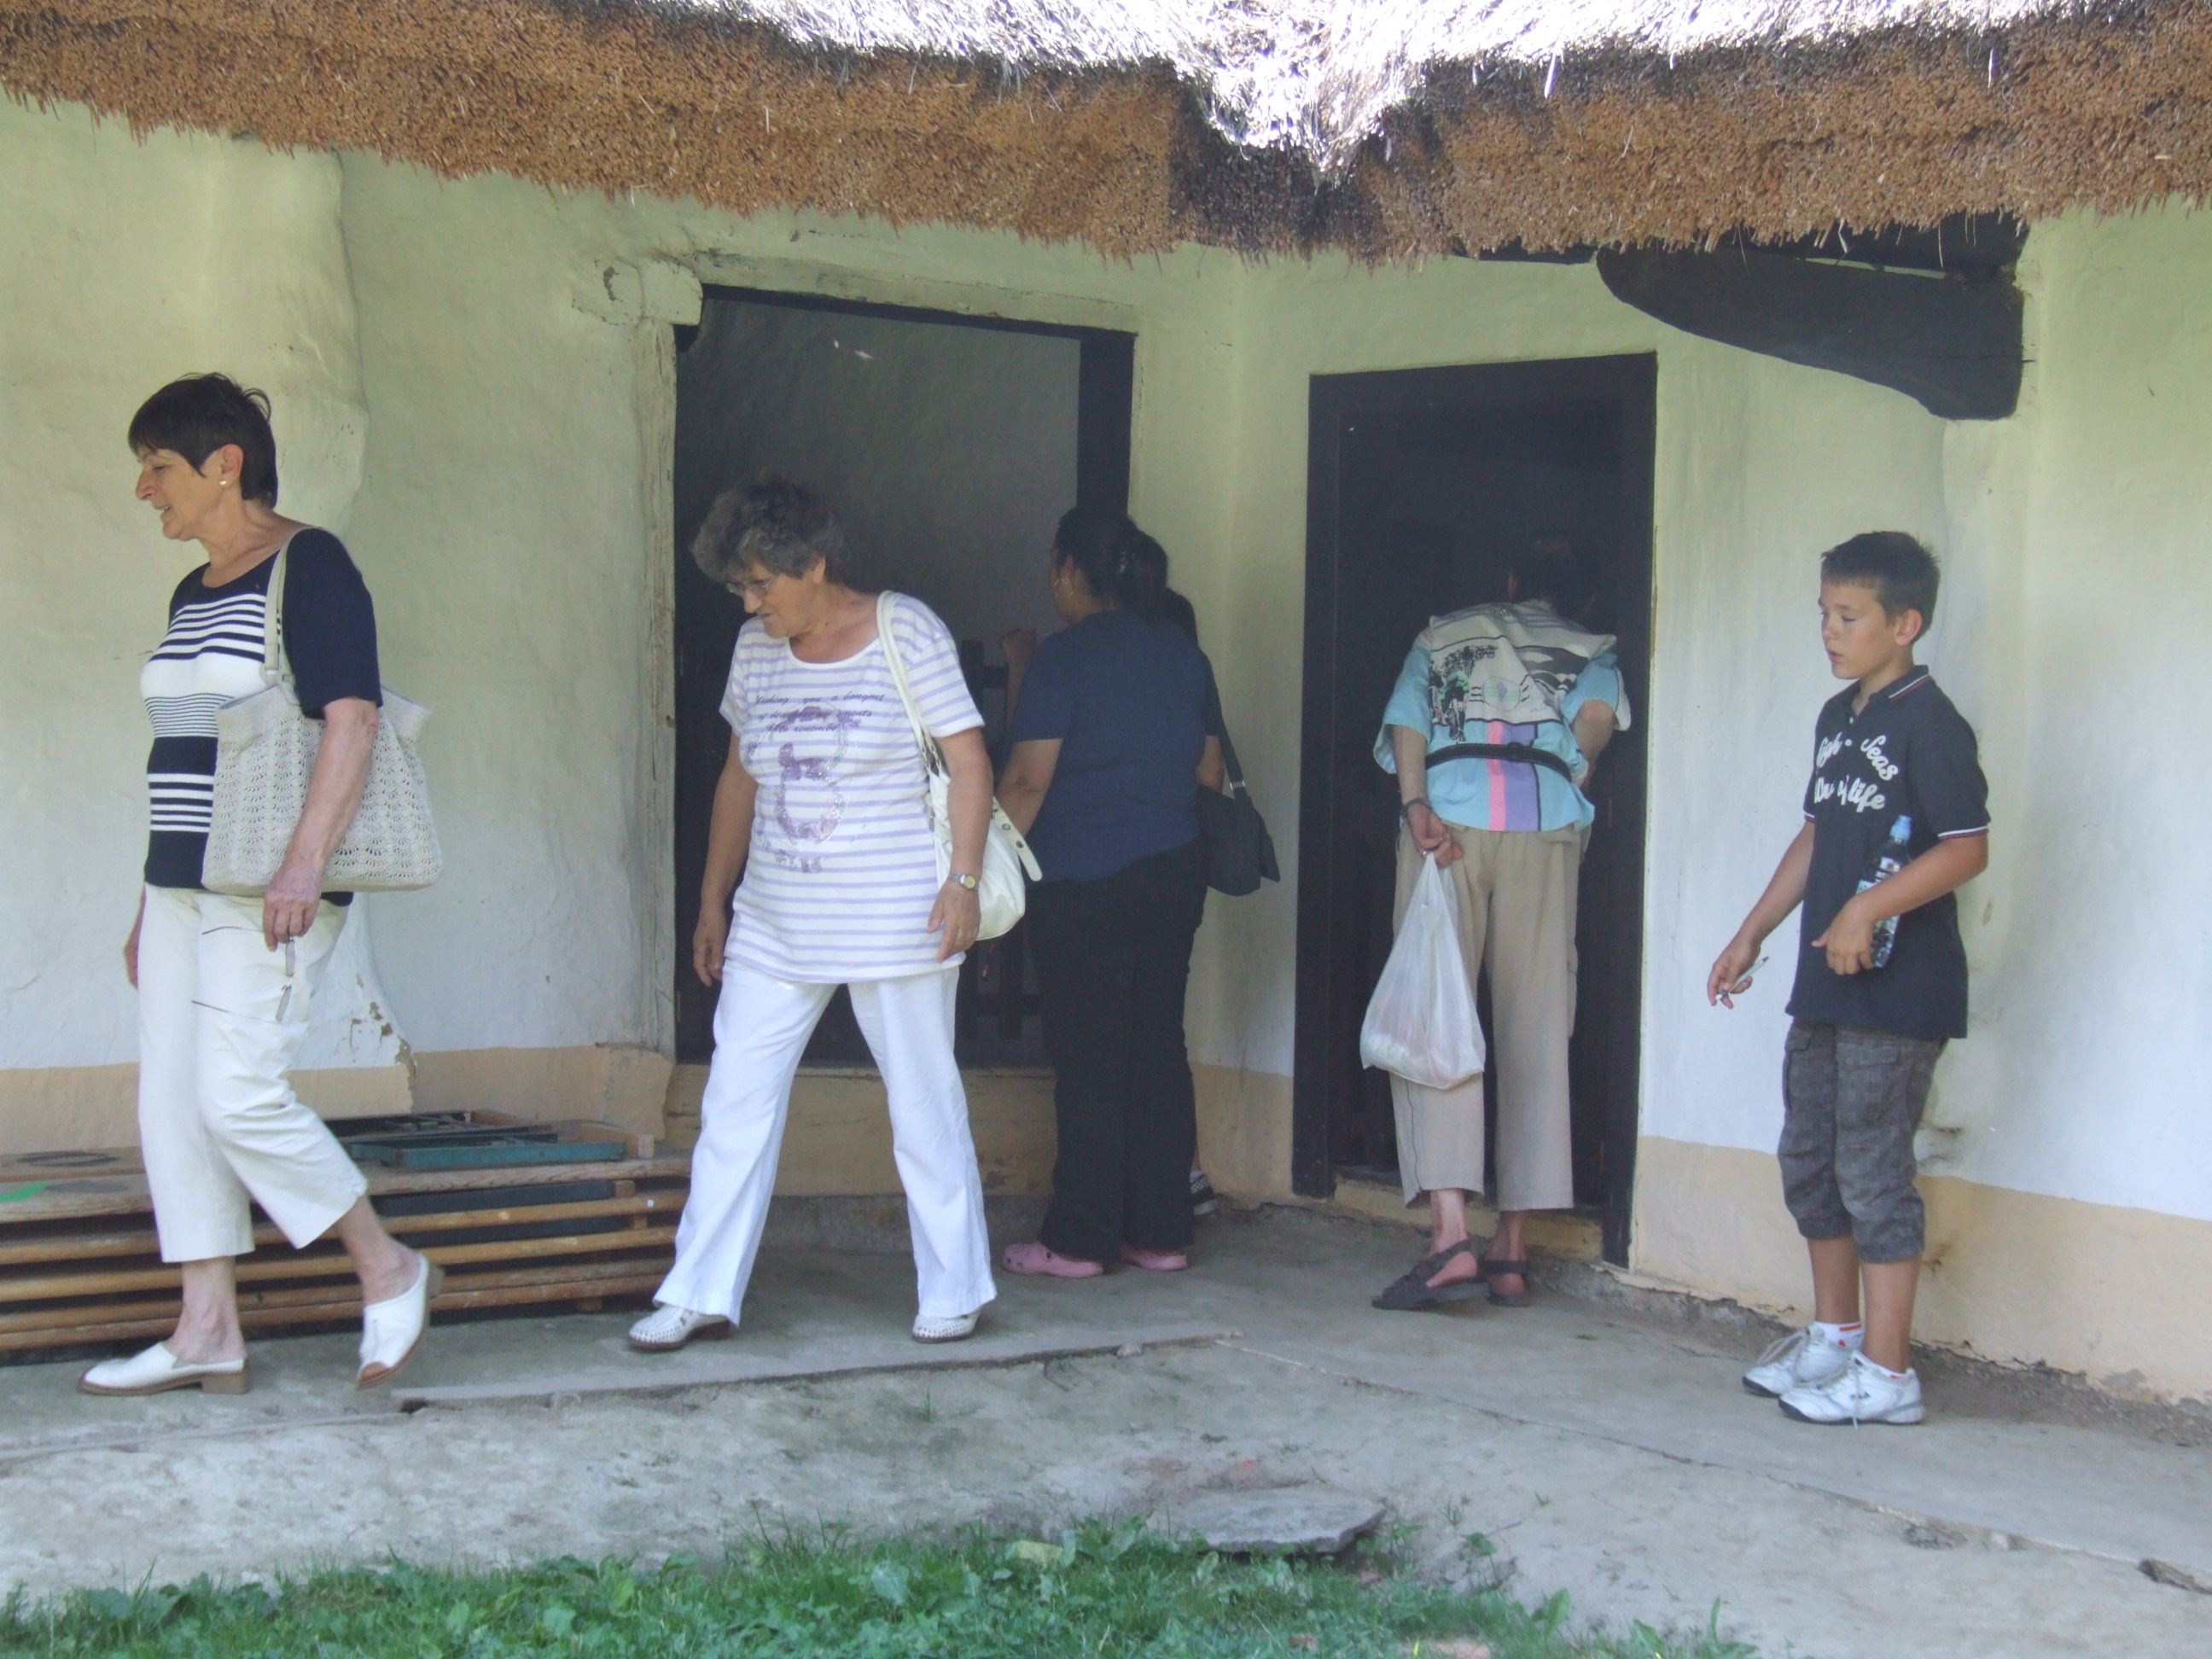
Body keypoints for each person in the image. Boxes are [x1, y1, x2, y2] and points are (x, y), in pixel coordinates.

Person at [85, 374, 435, 1398]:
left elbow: (353, 719)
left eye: (158, 467)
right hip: (180, 888)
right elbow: (182, 754)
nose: (145, 489)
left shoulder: (310, 565)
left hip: (266, 886)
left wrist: (305, 864)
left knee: (237, 1095)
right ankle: (207, 1329)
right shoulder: (192, 590)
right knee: (172, 1104)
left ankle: (388, 1265)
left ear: (224, 464)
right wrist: (146, 902)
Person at [632, 479, 998, 1350]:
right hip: (775, 922)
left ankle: (954, 1288)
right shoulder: (755, 651)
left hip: (899, 918)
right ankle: (699, 1291)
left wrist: (962, 881)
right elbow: (739, 780)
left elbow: (970, 762)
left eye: (762, 584)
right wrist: (713, 899)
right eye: (741, 587)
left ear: (816, 565)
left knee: (924, 1107)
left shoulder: (905, 629)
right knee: (734, 1106)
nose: (750, 603)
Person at [1708, 533, 1988, 1425]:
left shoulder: (1931, 722)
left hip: (1899, 993)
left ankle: (1890, 1373)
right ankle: (1835, 1337)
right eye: (1825, 613)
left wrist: (1869, 908)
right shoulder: (1839, 717)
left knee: (1873, 1172)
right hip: (1826, 982)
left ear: (1906, 624)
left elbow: (1966, 848)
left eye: (1849, 615)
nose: (1830, 631)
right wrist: (1752, 931)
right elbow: (1819, 833)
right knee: (1811, 1160)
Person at [1368, 538, 1627, 1313]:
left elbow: (1407, 720)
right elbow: (1590, 736)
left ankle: (1451, 1237)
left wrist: (1416, 805)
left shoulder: (1444, 633)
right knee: (1536, 1024)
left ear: (1511, 581)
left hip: (1444, 824)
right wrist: (1553, 770)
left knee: (1435, 1011)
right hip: (1542, 826)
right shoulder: (1594, 649)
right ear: (1583, 598)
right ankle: (1511, 1250)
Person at [995, 511, 1222, 1278]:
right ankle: (1159, 1233)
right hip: (1174, 873)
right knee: (1157, 1049)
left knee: (1090, 1058)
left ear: (1068, 570)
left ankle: (1080, 1239)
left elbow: (1028, 782)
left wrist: (977, 867)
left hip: (1083, 878)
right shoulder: (1184, 655)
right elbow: (1208, 772)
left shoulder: (1064, 659)